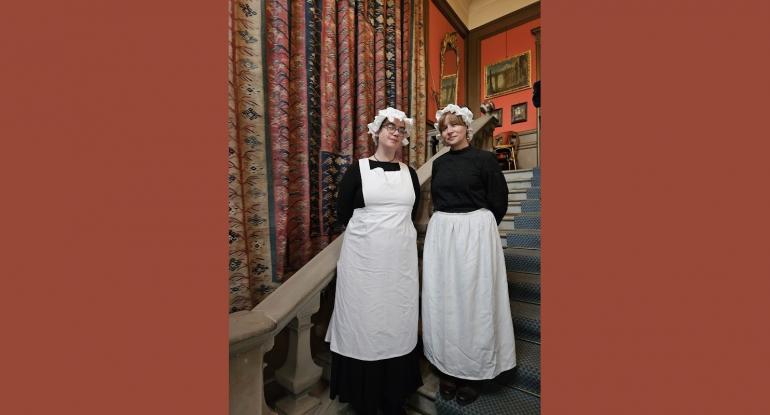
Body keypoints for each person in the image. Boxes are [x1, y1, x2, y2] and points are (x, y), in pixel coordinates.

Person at [325, 107, 423, 415]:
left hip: (400, 265)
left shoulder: (411, 174)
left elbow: (414, 211)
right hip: (364, 264)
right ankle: (364, 398)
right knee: (365, 322)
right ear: (376, 132)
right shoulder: (359, 169)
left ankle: (393, 395)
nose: (395, 132)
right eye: (389, 127)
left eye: (400, 129)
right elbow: (342, 212)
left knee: (396, 321)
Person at [421, 104, 516, 405]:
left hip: (475, 236)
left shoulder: (485, 160)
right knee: (447, 300)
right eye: (445, 127)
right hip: (444, 236)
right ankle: (450, 369)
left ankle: (475, 371)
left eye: (455, 125)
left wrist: (479, 230)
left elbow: (498, 200)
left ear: (467, 128)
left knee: (475, 301)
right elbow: (437, 200)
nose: (449, 131)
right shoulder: (439, 164)